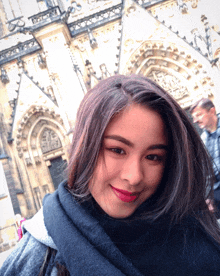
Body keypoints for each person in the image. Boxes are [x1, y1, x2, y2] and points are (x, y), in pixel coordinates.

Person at [1, 75, 220, 276]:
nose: (134, 177)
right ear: (84, 147)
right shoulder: (38, 259)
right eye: (116, 150)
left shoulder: (198, 234)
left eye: (153, 157)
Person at [190, 98, 220, 216]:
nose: (195, 120)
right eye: (193, 117)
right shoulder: (202, 140)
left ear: (212, 111)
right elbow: (206, 172)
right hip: (217, 193)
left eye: (199, 115)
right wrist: (208, 197)